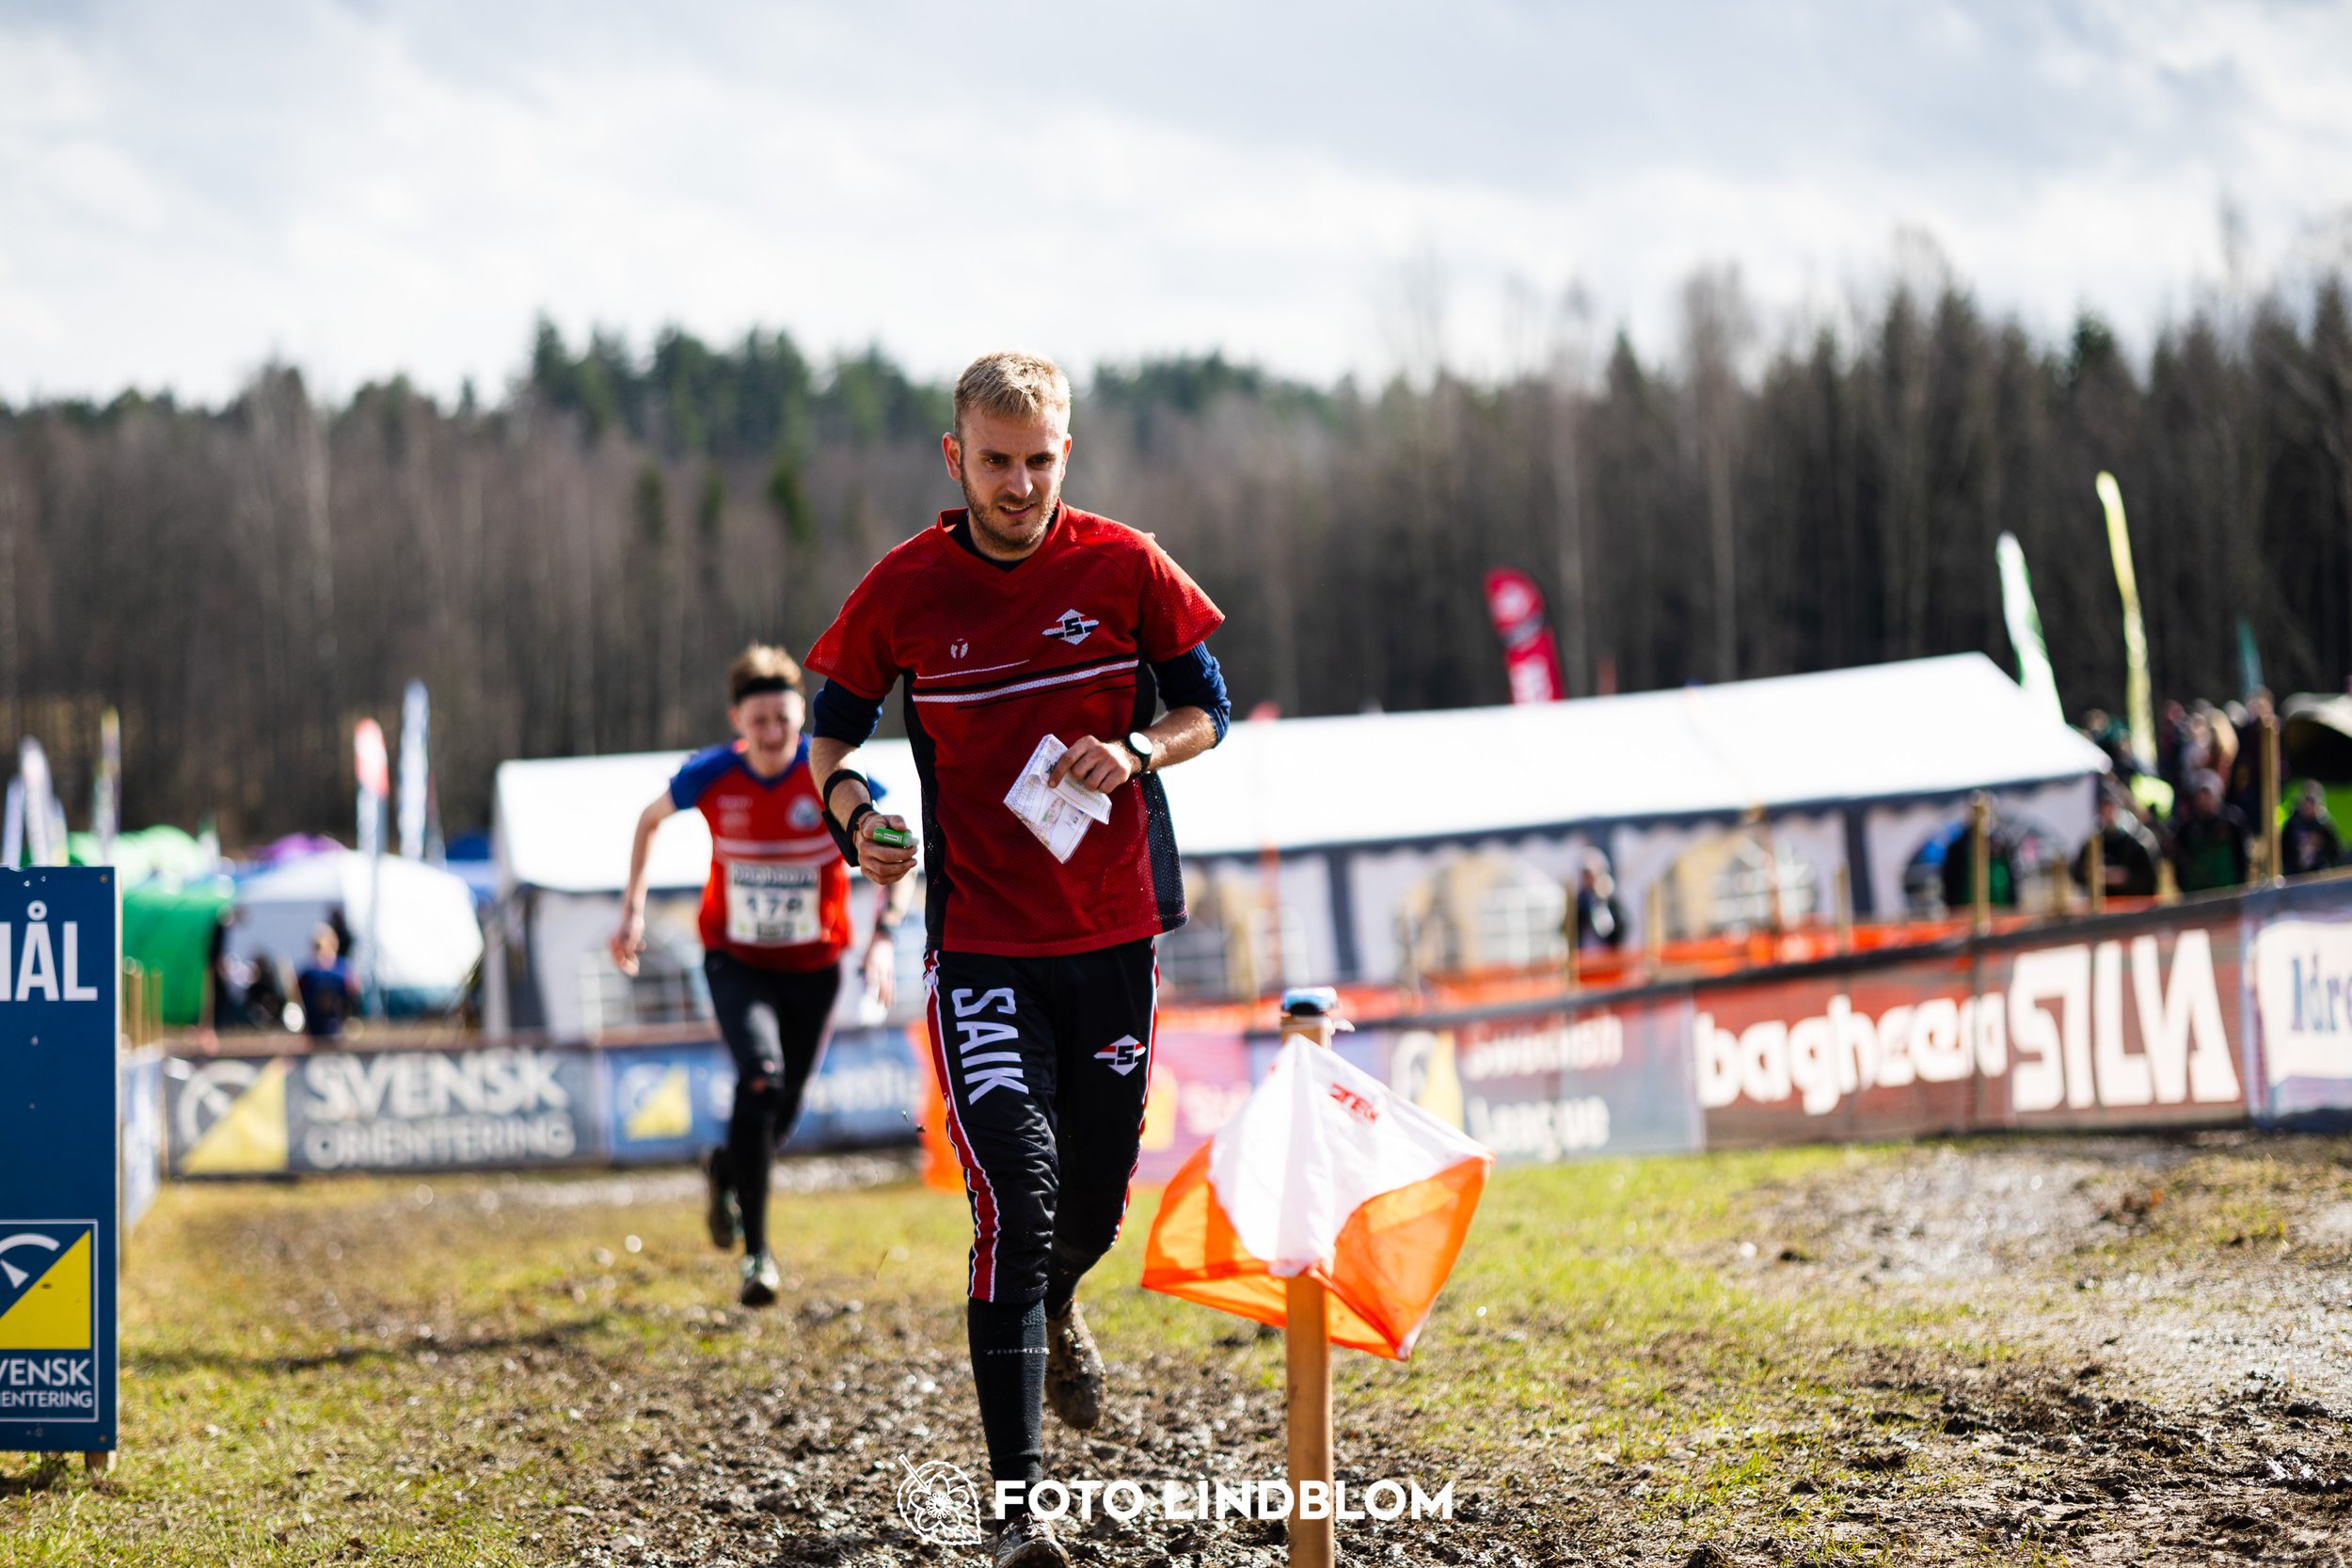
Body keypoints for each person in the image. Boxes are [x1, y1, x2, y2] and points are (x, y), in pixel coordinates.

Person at [803, 351, 1229, 1568]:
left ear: (1066, 453)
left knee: (1091, 1205)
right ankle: (1017, 1517)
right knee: (1015, 1194)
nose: (1019, 484)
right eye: (996, 461)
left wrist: (1139, 750)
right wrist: (856, 820)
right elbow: (832, 735)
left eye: (1040, 460)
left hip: (1112, 935)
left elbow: (1211, 706)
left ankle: (1059, 1300)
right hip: (984, 945)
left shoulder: (1126, 564)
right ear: (956, 457)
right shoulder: (904, 588)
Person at [611, 644, 913, 1308]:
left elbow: (896, 845)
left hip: (815, 968)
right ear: (737, 722)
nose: (774, 734)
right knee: (761, 1077)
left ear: (801, 714)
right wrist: (632, 908)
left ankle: (725, 1167)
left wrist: (884, 935)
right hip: (736, 961)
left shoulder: (831, 775)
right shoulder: (713, 773)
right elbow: (648, 820)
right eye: (760, 722)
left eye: (784, 719)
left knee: (779, 1114)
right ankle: (758, 1254)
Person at [2169, 769, 2251, 893]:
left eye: (2207, 794)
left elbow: (2244, 856)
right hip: (2197, 895)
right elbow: (2179, 864)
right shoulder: (2187, 828)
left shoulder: (2233, 821)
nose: (2203, 800)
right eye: (2199, 795)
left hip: (2229, 892)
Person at [2074, 788, 2162, 898]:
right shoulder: (2093, 842)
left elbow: (2147, 877)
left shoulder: (2133, 842)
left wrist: (2123, 877)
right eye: (2105, 809)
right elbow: (2078, 872)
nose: (2108, 813)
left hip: (2131, 900)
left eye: (2111, 808)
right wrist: (2094, 874)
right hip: (2103, 900)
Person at [294, 926, 358, 1040]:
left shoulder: (342, 970)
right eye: (316, 948)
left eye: (322, 948)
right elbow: (297, 996)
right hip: (313, 1027)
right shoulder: (308, 974)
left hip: (336, 1026)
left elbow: (352, 993)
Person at [2281, 781, 2341, 877]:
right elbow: (2283, 848)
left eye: (2312, 802)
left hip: (2318, 871)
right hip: (2295, 872)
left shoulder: (2324, 825)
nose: (2308, 806)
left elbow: (2335, 852)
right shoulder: (2293, 823)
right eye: (2306, 801)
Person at [1572, 852, 1626, 950]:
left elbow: (1618, 927)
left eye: (1590, 875)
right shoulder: (1579, 900)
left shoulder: (1609, 900)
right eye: (1585, 875)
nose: (1587, 879)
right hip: (1584, 952)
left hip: (1605, 951)